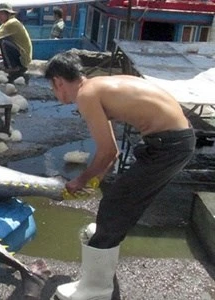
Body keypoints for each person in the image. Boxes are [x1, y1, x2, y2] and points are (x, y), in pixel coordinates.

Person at [44, 52, 195, 300]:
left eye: (53, 87)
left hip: (169, 146)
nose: (56, 94)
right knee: (117, 207)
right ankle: (102, 259)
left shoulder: (86, 95)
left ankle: (97, 289)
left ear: (58, 81)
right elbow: (111, 153)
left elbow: (107, 151)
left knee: (113, 208)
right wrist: (96, 179)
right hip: (173, 140)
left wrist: (79, 180)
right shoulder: (99, 83)